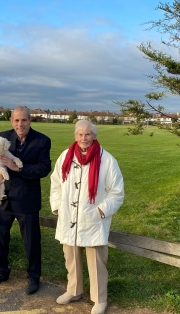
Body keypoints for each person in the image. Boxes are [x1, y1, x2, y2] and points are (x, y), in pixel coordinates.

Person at [50, 120, 124, 314]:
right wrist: (58, 207)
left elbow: (116, 191)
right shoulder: (65, 156)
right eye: (80, 134)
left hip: (93, 219)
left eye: (88, 134)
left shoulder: (106, 160)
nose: (84, 138)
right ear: (75, 136)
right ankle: (73, 290)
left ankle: (99, 299)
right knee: (71, 257)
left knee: (97, 262)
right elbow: (56, 183)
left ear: (94, 136)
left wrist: (100, 211)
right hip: (69, 217)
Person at [0, 106, 52, 295]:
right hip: (3, 199)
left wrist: (17, 168)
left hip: (26, 200)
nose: (20, 124)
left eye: (24, 120)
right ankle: (1, 271)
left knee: (31, 242)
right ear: (11, 121)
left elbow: (44, 168)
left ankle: (33, 277)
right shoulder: (3, 137)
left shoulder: (42, 140)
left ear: (30, 120)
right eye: (16, 120)